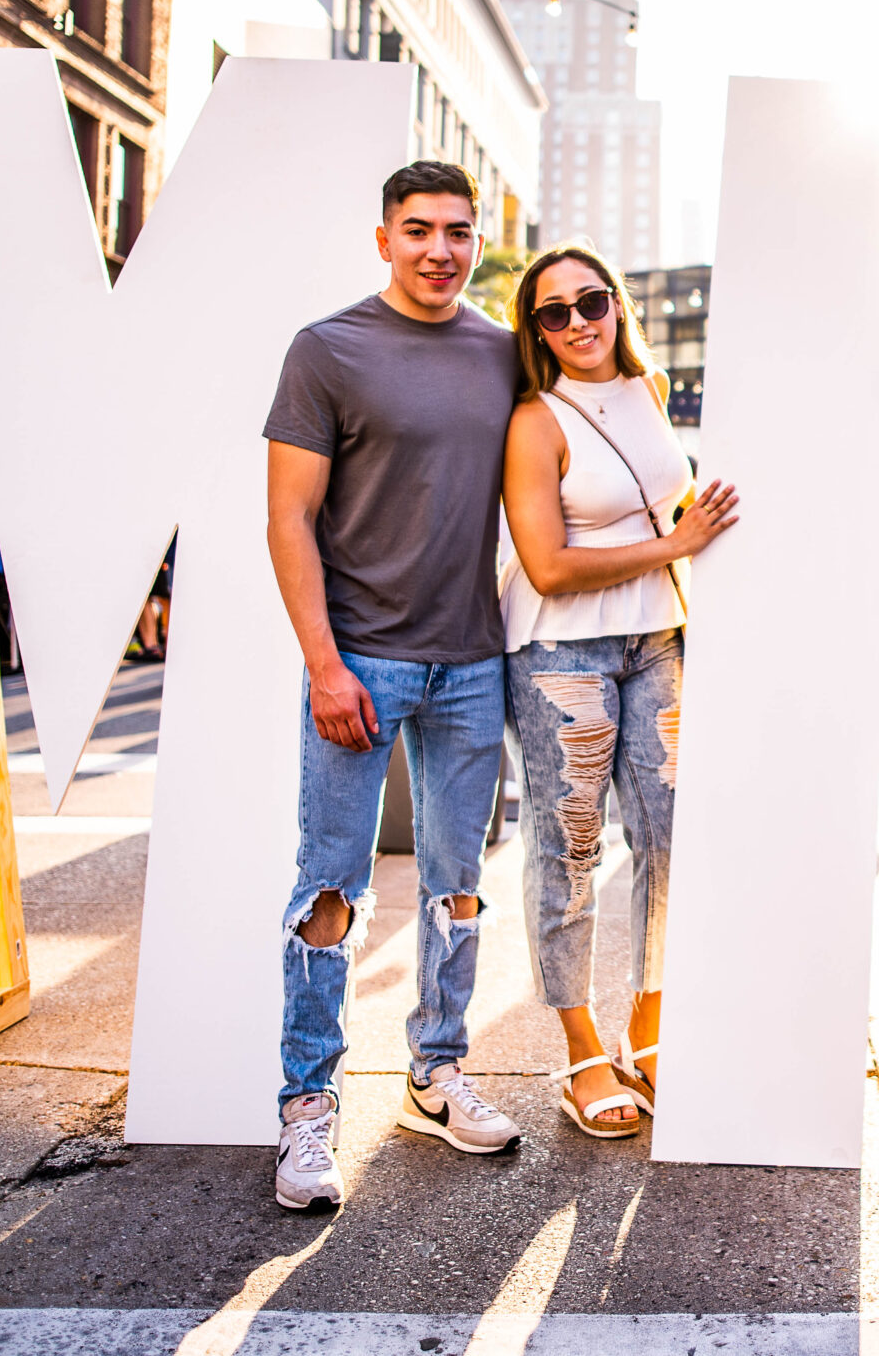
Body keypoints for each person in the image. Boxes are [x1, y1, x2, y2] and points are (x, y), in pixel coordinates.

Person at [262, 161, 523, 1209]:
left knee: (460, 885)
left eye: (457, 231)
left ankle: (438, 1069)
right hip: (358, 659)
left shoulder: (507, 353)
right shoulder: (327, 349)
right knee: (331, 886)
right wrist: (323, 662)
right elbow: (288, 518)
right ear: (383, 238)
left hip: (472, 659)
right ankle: (306, 1108)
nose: (438, 249)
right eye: (417, 229)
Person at [501, 243, 738, 1140]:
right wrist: (674, 549)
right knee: (569, 850)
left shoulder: (651, 392)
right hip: (562, 651)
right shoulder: (534, 419)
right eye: (552, 313)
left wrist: (686, 547)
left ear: (616, 305)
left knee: (673, 833)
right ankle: (581, 1051)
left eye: (589, 302)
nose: (576, 324)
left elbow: (664, 502)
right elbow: (549, 566)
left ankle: (651, 1019)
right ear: (536, 332)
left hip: (657, 640)